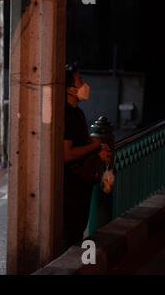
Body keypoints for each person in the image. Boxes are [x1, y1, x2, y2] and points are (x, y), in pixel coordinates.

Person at [63, 63, 112, 250]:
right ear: (70, 89)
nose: (85, 84)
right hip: (72, 187)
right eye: (80, 79)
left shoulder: (78, 113)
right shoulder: (67, 115)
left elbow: (79, 144)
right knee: (72, 233)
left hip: (79, 185)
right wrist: (94, 145)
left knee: (77, 230)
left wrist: (96, 149)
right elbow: (66, 154)